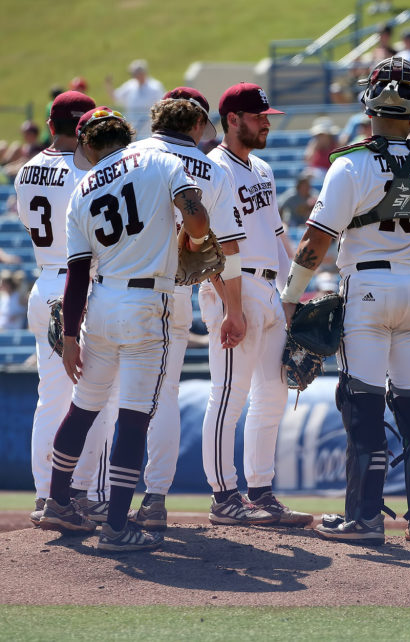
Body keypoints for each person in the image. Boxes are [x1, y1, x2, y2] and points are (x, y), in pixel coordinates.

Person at [281, 57, 410, 546]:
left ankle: (365, 518)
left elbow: (315, 241)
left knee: (362, 405)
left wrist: (290, 297)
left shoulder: (350, 164)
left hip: (367, 291)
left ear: (369, 102)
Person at [32, 106, 213, 553]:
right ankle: (116, 526)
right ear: (125, 135)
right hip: (148, 303)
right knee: (132, 418)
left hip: (102, 303)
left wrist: (70, 337)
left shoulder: (82, 190)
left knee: (83, 408)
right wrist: (191, 240)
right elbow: (197, 218)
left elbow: (76, 275)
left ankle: (56, 501)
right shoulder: (161, 161)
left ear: (88, 143)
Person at [124, 88, 247, 531]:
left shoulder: (127, 155)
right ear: (197, 123)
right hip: (171, 292)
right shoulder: (213, 170)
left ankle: (88, 495)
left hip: (113, 286)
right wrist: (234, 308)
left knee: (101, 396)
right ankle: (154, 498)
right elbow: (227, 249)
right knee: (165, 396)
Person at [201, 82, 311, 527]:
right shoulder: (211, 169)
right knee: (228, 395)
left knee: (273, 396)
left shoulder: (262, 168)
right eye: (259, 116)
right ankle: (223, 495)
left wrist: (294, 296)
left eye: (267, 116)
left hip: (270, 289)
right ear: (232, 120)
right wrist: (232, 306)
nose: (267, 122)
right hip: (234, 287)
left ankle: (261, 491)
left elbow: (279, 236)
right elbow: (202, 244)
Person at [13, 91, 123, 525]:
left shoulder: (26, 170)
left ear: (49, 122)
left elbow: (28, 223)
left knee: (50, 400)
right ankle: (83, 493)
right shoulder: (87, 166)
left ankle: (46, 495)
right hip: (81, 285)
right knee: (98, 398)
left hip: (43, 284)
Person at [108, 59, 165, 137]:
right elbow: (116, 97)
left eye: (136, 73)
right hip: (133, 129)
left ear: (143, 73)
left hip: (150, 130)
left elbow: (162, 106)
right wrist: (109, 86)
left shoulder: (155, 87)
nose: (134, 76)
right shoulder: (130, 85)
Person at [304, 116, 339, 183]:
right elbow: (308, 161)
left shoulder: (336, 144)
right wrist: (314, 148)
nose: (320, 137)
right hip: (315, 173)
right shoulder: (313, 144)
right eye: (319, 135)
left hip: (330, 173)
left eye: (322, 134)